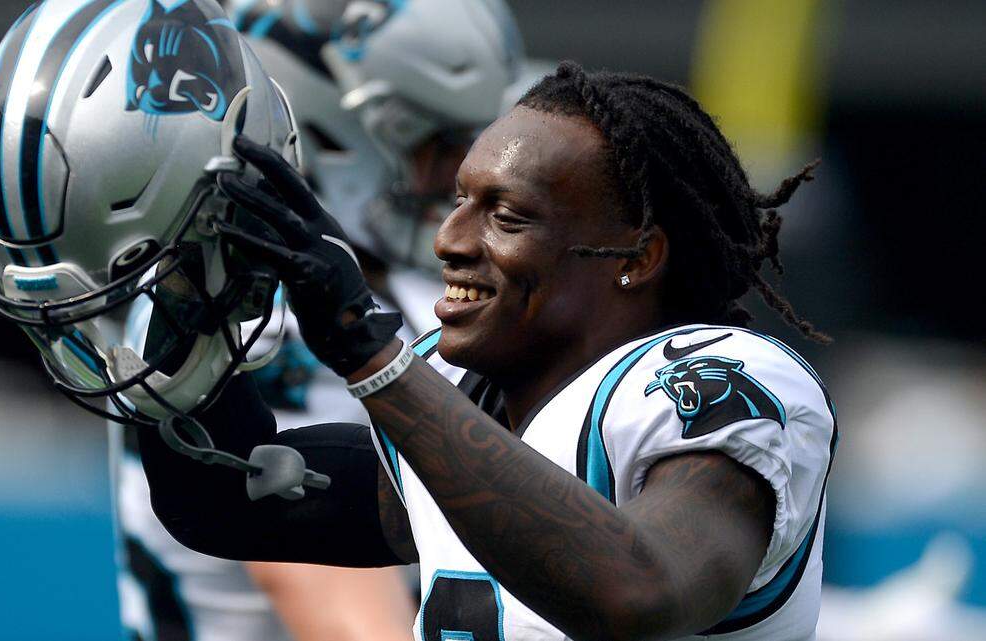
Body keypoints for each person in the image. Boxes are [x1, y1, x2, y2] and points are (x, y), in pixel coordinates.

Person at [138, 62, 837, 641]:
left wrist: (372, 355)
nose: (450, 239)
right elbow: (219, 498)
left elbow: (640, 595)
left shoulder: (722, 379)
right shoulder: (461, 391)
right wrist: (189, 285)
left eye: (506, 216)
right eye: (459, 202)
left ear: (636, 256)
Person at [109, 0, 526, 638]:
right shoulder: (259, 309)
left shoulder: (384, 276)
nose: (469, 174)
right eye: (441, 142)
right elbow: (341, 608)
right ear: (327, 131)